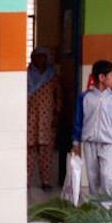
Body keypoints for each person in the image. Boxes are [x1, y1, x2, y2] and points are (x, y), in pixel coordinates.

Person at [71, 60, 112, 199]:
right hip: (89, 144)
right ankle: (97, 208)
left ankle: (110, 207)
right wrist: (76, 143)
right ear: (102, 78)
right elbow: (78, 121)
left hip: (108, 144)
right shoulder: (84, 98)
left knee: (106, 175)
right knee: (92, 177)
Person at [27, 47, 63, 190]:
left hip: (47, 121)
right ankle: (26, 182)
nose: (40, 59)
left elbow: (59, 96)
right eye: (36, 57)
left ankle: (45, 181)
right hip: (29, 120)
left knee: (46, 152)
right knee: (29, 152)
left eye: (43, 57)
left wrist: (56, 114)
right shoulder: (26, 75)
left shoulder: (52, 76)